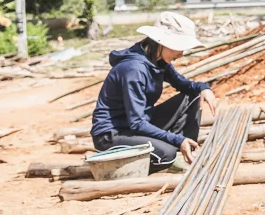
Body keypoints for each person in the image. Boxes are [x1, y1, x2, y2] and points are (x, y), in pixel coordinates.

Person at [91, 11, 220, 173]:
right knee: (167, 154)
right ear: (162, 42)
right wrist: (176, 139)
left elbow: (183, 84)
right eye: (179, 47)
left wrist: (204, 88)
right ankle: (169, 155)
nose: (181, 53)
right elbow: (137, 122)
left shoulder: (157, 61)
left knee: (193, 97)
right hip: (112, 136)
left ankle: (185, 150)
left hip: (136, 126)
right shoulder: (134, 69)